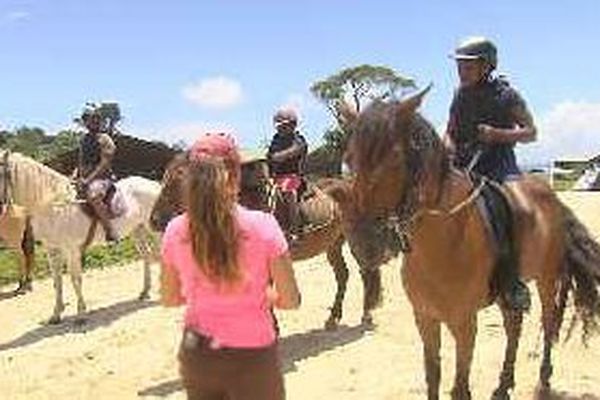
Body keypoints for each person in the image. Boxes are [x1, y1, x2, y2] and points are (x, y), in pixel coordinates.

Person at [160, 132, 301, 400]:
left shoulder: (174, 230)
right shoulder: (264, 225)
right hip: (253, 353)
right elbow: (291, 300)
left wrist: (204, 293)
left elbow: (169, 298)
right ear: (235, 174)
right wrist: (263, 294)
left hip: (198, 353)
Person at [444, 36, 537, 312]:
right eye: (459, 65)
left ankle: (514, 281)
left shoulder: (507, 96)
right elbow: (450, 129)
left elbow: (531, 132)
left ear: (487, 65)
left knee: (521, 209)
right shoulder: (460, 95)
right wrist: (446, 146)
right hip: (463, 165)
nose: (461, 70)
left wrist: (499, 135)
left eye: (468, 65)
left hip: (499, 164)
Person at [73, 105, 119, 242]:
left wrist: (88, 180)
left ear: (98, 121)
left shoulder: (105, 139)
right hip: (86, 178)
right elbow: (81, 162)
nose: (91, 122)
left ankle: (110, 231)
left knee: (93, 196)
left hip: (103, 178)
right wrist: (76, 177)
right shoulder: (83, 140)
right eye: (87, 119)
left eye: (94, 119)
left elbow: (105, 163)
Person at [267, 108, 308, 241]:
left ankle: (295, 230)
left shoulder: (298, 139)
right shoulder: (276, 140)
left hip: (292, 176)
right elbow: (270, 156)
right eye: (279, 126)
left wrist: (279, 156)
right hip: (275, 177)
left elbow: (297, 150)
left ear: (292, 125)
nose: (280, 129)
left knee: (289, 193)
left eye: (284, 126)